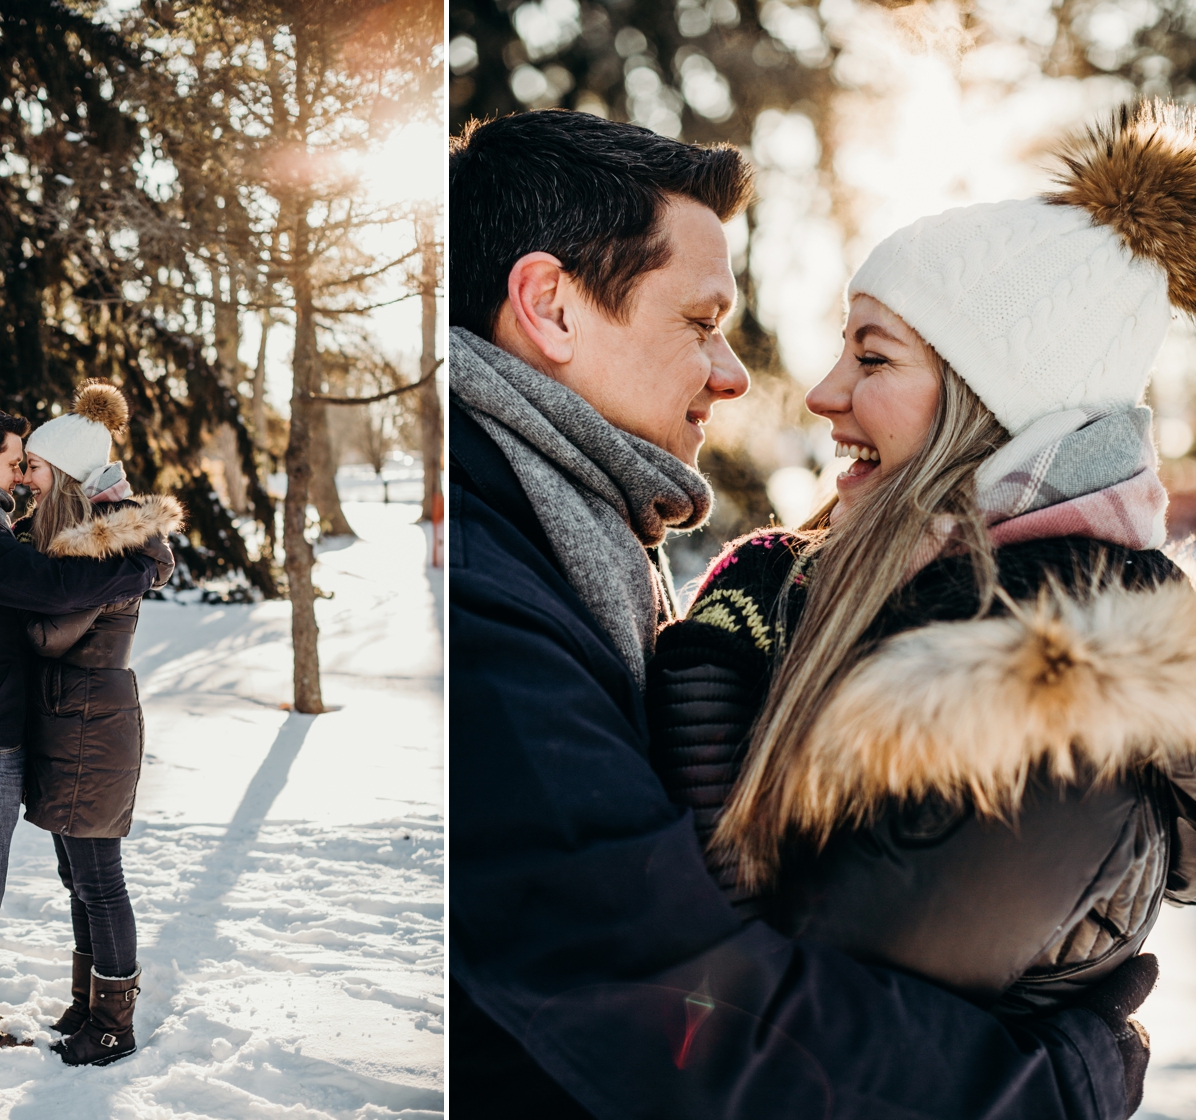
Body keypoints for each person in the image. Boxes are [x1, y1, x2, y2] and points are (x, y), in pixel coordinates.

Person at [449, 107, 1156, 1119]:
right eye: (700, 322)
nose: (744, 376)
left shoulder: (1035, 691)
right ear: (549, 306)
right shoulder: (492, 581)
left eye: (872, 358)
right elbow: (667, 996)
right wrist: (1049, 1087)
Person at [647, 100, 1196, 1026]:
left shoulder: (1043, 699)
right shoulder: (870, 598)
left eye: (873, 357)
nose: (824, 393)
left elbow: (790, 1043)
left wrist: (713, 685)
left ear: (992, 409)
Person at [0, 403, 171, 1054]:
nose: (22, 477)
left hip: (55, 729)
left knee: (75, 881)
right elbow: (47, 590)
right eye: (14, 461)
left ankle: (88, 1018)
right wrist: (140, 555)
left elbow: (50, 599)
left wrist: (137, 543)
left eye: (33, 466)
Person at [12, 381, 181, 1066]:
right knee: (78, 877)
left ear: (69, 478)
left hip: (90, 724)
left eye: (35, 468)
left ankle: (113, 1024)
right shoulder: (73, 540)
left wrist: (13, 598)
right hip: (71, 719)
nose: (24, 477)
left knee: (100, 880)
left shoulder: (96, 549)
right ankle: (87, 1003)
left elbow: (49, 637)